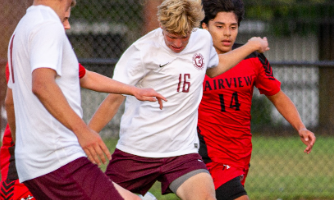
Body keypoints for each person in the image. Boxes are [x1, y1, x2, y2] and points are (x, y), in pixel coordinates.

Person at [88, 0, 269, 199]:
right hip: (137, 150)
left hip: (181, 152)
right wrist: (87, 135)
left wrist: (251, 45)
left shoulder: (202, 40)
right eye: (171, 36)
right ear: (162, 26)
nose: (177, 43)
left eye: (183, 37)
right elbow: (114, 99)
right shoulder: (142, 51)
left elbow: (215, 67)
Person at [5, 0, 165, 199]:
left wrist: (134, 90)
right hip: (59, 159)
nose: (68, 22)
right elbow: (42, 85)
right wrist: (83, 132)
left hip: (35, 165)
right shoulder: (48, 24)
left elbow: (10, 101)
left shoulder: (23, 28)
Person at [198, 0, 317, 199]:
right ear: (204, 26)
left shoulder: (252, 58)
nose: (227, 33)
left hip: (240, 153)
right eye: (219, 26)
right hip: (206, 155)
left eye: (233, 27)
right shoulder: (195, 62)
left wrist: (300, 126)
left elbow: (277, 96)